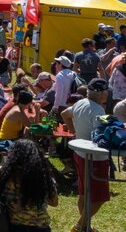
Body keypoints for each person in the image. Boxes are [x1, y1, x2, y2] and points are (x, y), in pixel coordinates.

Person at [60, 78, 110, 232]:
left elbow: (64, 114)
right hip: (95, 157)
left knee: (84, 193)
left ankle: (85, 227)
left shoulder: (80, 103)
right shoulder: (98, 110)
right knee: (100, 197)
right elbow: (101, 136)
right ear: (102, 94)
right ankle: (79, 226)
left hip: (80, 153)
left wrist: (74, 132)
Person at [0, 139, 59, 232]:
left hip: (12, 227)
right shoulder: (45, 180)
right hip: (40, 228)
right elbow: (54, 203)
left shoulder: (4, 179)